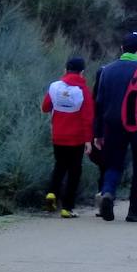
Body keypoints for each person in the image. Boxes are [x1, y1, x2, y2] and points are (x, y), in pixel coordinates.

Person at [93, 31, 137, 222]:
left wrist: (97, 132)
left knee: (113, 164)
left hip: (111, 125)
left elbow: (99, 102)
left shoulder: (107, 70)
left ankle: (107, 193)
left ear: (122, 49)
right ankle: (134, 211)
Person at [41, 56, 94, 218]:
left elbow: (45, 107)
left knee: (59, 166)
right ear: (82, 73)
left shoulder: (55, 87)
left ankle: (51, 193)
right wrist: (88, 140)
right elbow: (88, 117)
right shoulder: (83, 91)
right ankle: (67, 208)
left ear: (65, 70)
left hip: (58, 135)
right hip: (76, 138)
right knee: (74, 171)